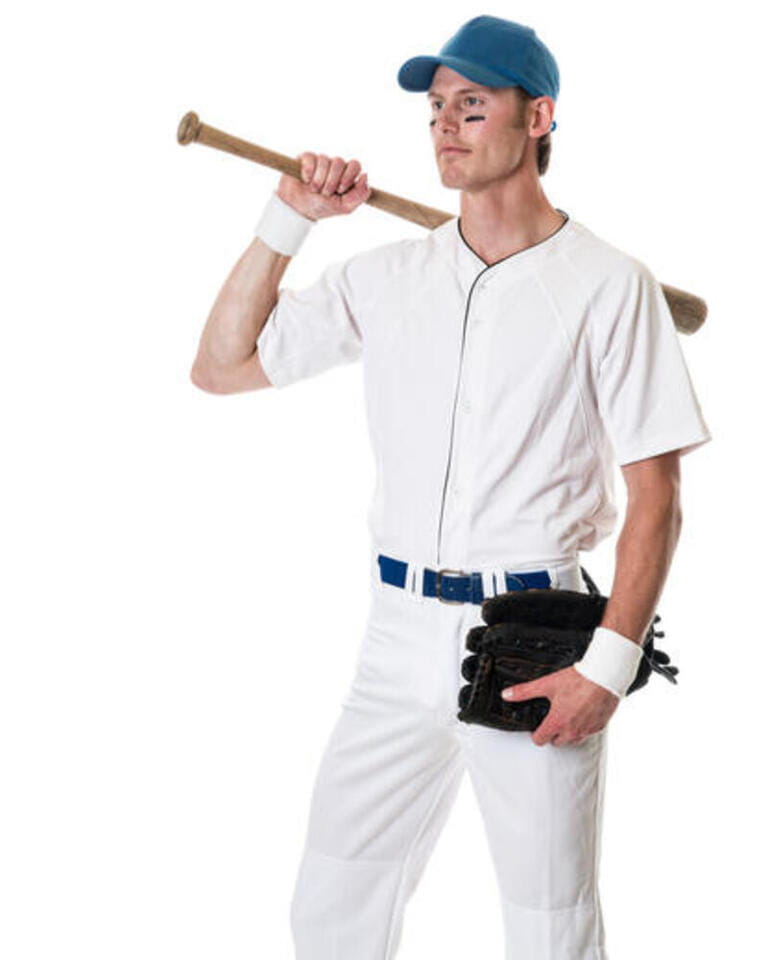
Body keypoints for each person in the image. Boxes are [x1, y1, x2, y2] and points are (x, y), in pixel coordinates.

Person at [190, 14, 711, 960]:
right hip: (394, 634)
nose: (446, 126)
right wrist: (288, 218)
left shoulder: (608, 285)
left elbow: (659, 500)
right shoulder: (388, 277)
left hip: (533, 632)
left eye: (474, 105)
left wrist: (610, 664)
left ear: (538, 116)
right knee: (333, 904)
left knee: (548, 925)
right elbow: (222, 367)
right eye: (436, 108)